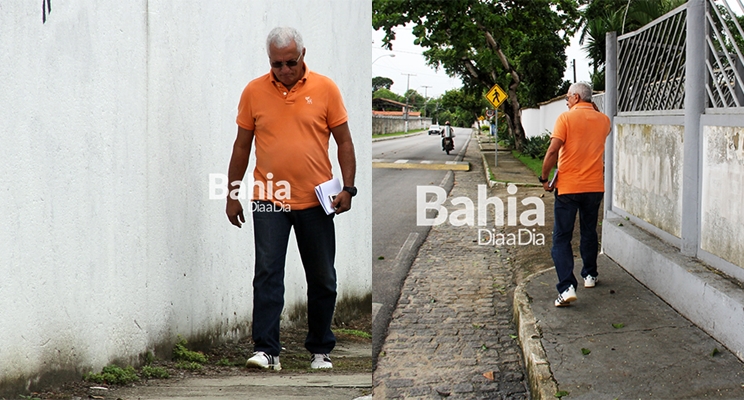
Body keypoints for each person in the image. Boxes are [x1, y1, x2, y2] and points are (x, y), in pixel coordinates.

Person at [225, 27, 357, 370]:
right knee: (267, 273)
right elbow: (242, 146)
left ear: (303, 55)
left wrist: (348, 188)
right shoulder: (253, 91)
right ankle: (266, 350)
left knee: (322, 276)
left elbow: (344, 141)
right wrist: (232, 193)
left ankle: (319, 349)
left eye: (290, 63)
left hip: (316, 199)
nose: (283, 70)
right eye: (276, 64)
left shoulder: (326, 89)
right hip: (270, 198)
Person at [539, 82, 610, 307]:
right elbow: (597, 116)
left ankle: (567, 287)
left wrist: (544, 178)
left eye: (569, 97)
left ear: (577, 97)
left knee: (562, 237)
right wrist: (591, 106)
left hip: (568, 188)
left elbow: (552, 150)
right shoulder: (604, 120)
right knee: (589, 231)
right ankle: (589, 275)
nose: (567, 102)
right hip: (594, 187)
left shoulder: (565, 118)